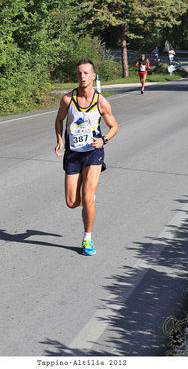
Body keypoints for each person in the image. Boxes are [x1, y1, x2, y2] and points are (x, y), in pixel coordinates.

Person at [54, 58, 119, 256]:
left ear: (93, 76)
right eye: (79, 73)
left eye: (86, 73)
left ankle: (87, 238)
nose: (82, 76)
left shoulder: (101, 102)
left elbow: (114, 127)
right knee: (71, 202)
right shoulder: (67, 99)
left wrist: (104, 140)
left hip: (93, 153)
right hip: (73, 153)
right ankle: (86, 201)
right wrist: (59, 140)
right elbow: (59, 120)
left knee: (87, 197)